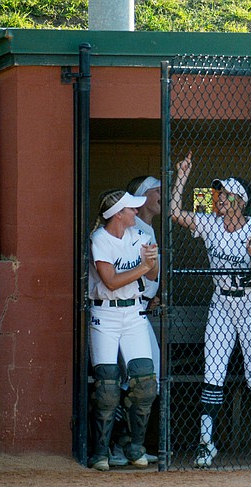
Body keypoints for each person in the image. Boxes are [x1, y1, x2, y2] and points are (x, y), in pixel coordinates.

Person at [170, 155, 251, 467]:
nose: (219, 199)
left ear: (240, 202)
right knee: (213, 371)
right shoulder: (211, 223)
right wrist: (183, 176)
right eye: (218, 195)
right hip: (221, 304)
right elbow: (175, 213)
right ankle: (206, 442)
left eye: (226, 195)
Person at [88, 190, 159, 471]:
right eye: (131, 209)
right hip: (105, 314)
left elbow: (152, 275)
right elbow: (111, 282)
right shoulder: (99, 240)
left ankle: (134, 447)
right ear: (118, 213)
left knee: (145, 383)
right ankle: (100, 452)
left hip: (134, 314)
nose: (136, 213)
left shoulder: (138, 237)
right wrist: (144, 266)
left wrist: (150, 262)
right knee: (107, 387)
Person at [108, 173, 165, 467]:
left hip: (142, 312)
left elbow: (152, 275)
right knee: (130, 381)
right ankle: (117, 443)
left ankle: (130, 443)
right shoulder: (132, 230)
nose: (162, 196)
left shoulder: (148, 229)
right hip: (123, 313)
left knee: (147, 379)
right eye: (156, 191)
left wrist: (154, 293)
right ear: (141, 199)